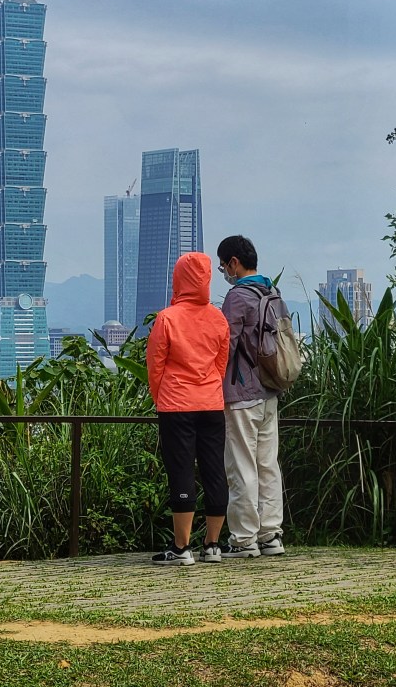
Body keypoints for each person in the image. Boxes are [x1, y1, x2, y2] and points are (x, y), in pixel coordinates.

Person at [146, 251, 230, 565]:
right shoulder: (218, 318)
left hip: (176, 404)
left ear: (178, 279)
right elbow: (221, 363)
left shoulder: (167, 318)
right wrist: (209, 388)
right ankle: (213, 545)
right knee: (214, 469)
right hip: (211, 403)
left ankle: (182, 549)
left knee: (181, 470)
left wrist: (162, 396)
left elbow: (155, 365)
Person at [216, 234, 285, 558]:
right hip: (271, 390)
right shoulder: (273, 291)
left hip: (242, 394)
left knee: (242, 465)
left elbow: (225, 346)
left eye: (222, 265)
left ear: (233, 263)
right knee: (268, 465)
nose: (223, 271)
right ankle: (271, 536)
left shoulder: (237, 297)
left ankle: (244, 540)